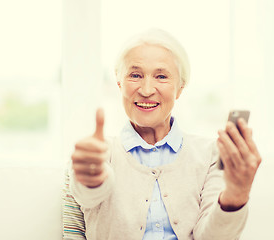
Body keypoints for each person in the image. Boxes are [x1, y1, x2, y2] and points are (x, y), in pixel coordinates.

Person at [65, 29, 262, 240]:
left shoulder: (211, 154)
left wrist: (236, 195)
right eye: (135, 75)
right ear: (119, 83)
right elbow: (88, 196)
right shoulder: (96, 155)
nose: (147, 89)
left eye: (161, 76)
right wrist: (91, 178)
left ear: (180, 88)